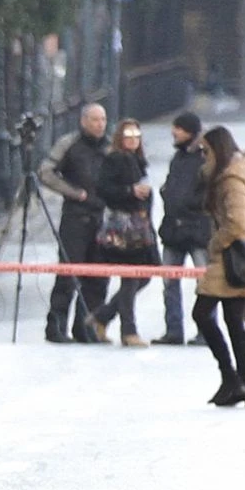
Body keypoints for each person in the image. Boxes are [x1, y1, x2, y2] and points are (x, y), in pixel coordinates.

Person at [193, 127, 245, 407]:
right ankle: (243, 383)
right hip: (232, 257)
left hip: (231, 257)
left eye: (205, 151)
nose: (203, 157)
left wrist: (216, 244)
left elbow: (238, 222)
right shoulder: (227, 175)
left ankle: (232, 377)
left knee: (203, 313)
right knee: (233, 321)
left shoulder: (231, 179)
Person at [37, 103, 110, 343]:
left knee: (98, 277)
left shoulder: (110, 148)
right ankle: (55, 326)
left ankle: (85, 327)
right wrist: (72, 192)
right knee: (68, 274)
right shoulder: (69, 144)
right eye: (95, 120)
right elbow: (46, 172)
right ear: (83, 121)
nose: (100, 124)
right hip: (75, 218)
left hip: (102, 218)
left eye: (103, 120)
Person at [86, 118, 158, 347]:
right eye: (128, 136)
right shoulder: (115, 158)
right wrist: (130, 191)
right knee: (131, 277)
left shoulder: (137, 160)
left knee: (144, 275)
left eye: (137, 136)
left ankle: (102, 316)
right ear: (120, 137)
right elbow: (103, 189)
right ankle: (128, 331)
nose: (133, 140)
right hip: (124, 228)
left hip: (140, 226)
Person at [153, 112, 211, 346]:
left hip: (197, 229)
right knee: (169, 282)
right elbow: (172, 187)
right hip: (173, 229)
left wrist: (190, 206)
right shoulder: (177, 158)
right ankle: (173, 330)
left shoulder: (207, 158)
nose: (174, 133)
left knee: (204, 284)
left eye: (178, 129)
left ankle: (205, 331)